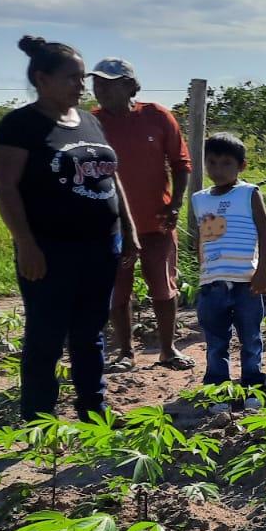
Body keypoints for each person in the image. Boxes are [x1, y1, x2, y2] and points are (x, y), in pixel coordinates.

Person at [0, 36, 140, 421]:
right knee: (46, 335)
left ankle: (93, 409)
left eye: (81, 77)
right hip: (49, 248)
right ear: (42, 79)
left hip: (102, 246)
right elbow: (4, 186)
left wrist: (129, 229)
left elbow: (111, 177)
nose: (81, 85)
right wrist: (25, 242)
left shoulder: (88, 121)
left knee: (91, 332)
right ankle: (39, 419)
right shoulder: (20, 125)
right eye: (72, 78)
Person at [89, 58, 194, 373]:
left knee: (163, 287)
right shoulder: (90, 122)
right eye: (97, 82)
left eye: (110, 82)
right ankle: (124, 352)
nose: (101, 88)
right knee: (117, 290)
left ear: (131, 86)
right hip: (111, 225)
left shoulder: (157, 117)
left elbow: (181, 163)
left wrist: (175, 204)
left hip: (155, 221)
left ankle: (167, 349)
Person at [190, 134, 266, 414]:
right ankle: (219, 392)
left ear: (241, 165)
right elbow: (202, 238)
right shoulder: (199, 199)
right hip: (212, 283)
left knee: (250, 339)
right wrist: (202, 274)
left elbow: (264, 232)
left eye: (226, 163)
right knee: (215, 342)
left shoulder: (249, 192)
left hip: (246, 282)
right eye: (211, 162)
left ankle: (253, 389)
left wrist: (262, 271)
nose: (218, 169)